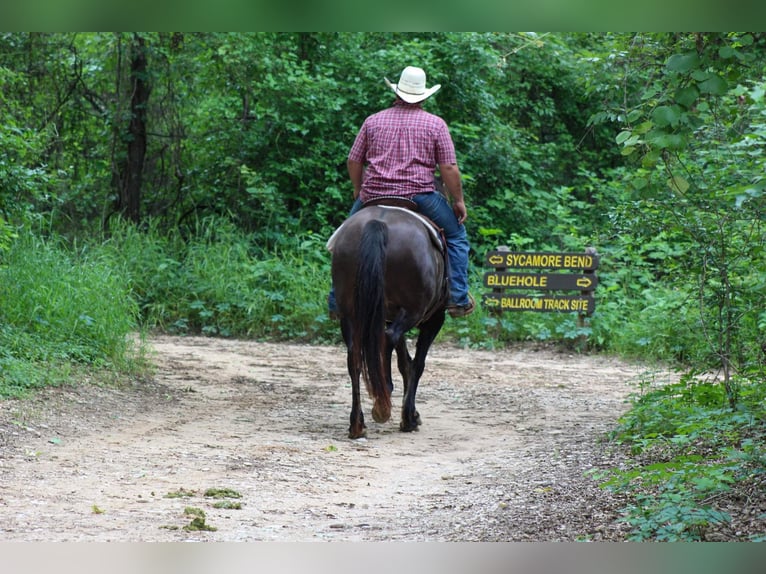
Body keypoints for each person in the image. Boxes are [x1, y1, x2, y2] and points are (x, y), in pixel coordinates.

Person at [329, 65, 474, 319]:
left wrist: (358, 188)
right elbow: (449, 168)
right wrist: (459, 200)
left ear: (396, 92)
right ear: (424, 96)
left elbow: (354, 160)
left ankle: (335, 301)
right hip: (419, 197)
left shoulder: (373, 121)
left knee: (342, 240)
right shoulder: (435, 125)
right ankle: (458, 297)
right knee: (457, 237)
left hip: (372, 194)